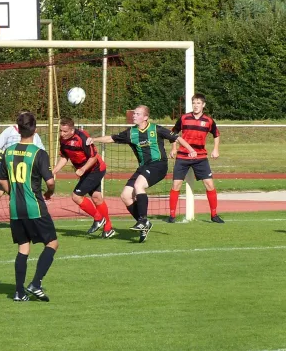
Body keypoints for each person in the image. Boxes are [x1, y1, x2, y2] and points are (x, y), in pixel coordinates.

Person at [88, 105, 197, 243]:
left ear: (145, 117)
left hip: (158, 165)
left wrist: (190, 149)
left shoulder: (156, 129)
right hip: (143, 168)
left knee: (139, 185)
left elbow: (177, 138)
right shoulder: (131, 133)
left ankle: (143, 220)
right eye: (134, 114)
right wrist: (94, 139)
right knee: (126, 196)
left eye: (138, 114)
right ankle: (144, 225)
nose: (134, 116)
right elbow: (112, 138)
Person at [0, 112, 57, 302]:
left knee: (23, 247)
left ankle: (19, 292)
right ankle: (36, 283)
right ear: (35, 129)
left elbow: (1, 179)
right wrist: (49, 193)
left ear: (18, 129)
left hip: (15, 208)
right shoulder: (39, 153)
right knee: (52, 243)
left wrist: (13, 193)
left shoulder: (8, 151)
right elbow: (50, 181)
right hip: (34, 207)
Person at [0, 113, 45, 231]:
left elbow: (41, 151)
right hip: (7, 169)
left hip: (24, 172)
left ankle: (33, 222)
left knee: (29, 196)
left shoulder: (34, 135)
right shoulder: (9, 131)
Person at [52, 117, 115, 238]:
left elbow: (93, 157)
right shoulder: (63, 139)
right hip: (86, 171)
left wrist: (82, 169)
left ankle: (98, 218)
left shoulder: (82, 138)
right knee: (97, 198)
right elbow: (65, 157)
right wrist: (54, 171)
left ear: (72, 130)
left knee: (76, 196)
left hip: (95, 169)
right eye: (60, 131)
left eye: (65, 131)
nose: (62, 133)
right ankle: (108, 228)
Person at [168, 93, 224, 223]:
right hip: (182, 156)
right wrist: (174, 148)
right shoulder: (183, 118)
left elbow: (216, 134)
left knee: (209, 184)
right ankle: (171, 216)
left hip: (201, 157)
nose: (196, 105)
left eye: (198, 103)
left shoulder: (209, 121)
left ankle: (214, 215)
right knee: (176, 184)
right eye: (194, 103)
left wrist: (216, 149)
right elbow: (173, 134)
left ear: (203, 105)